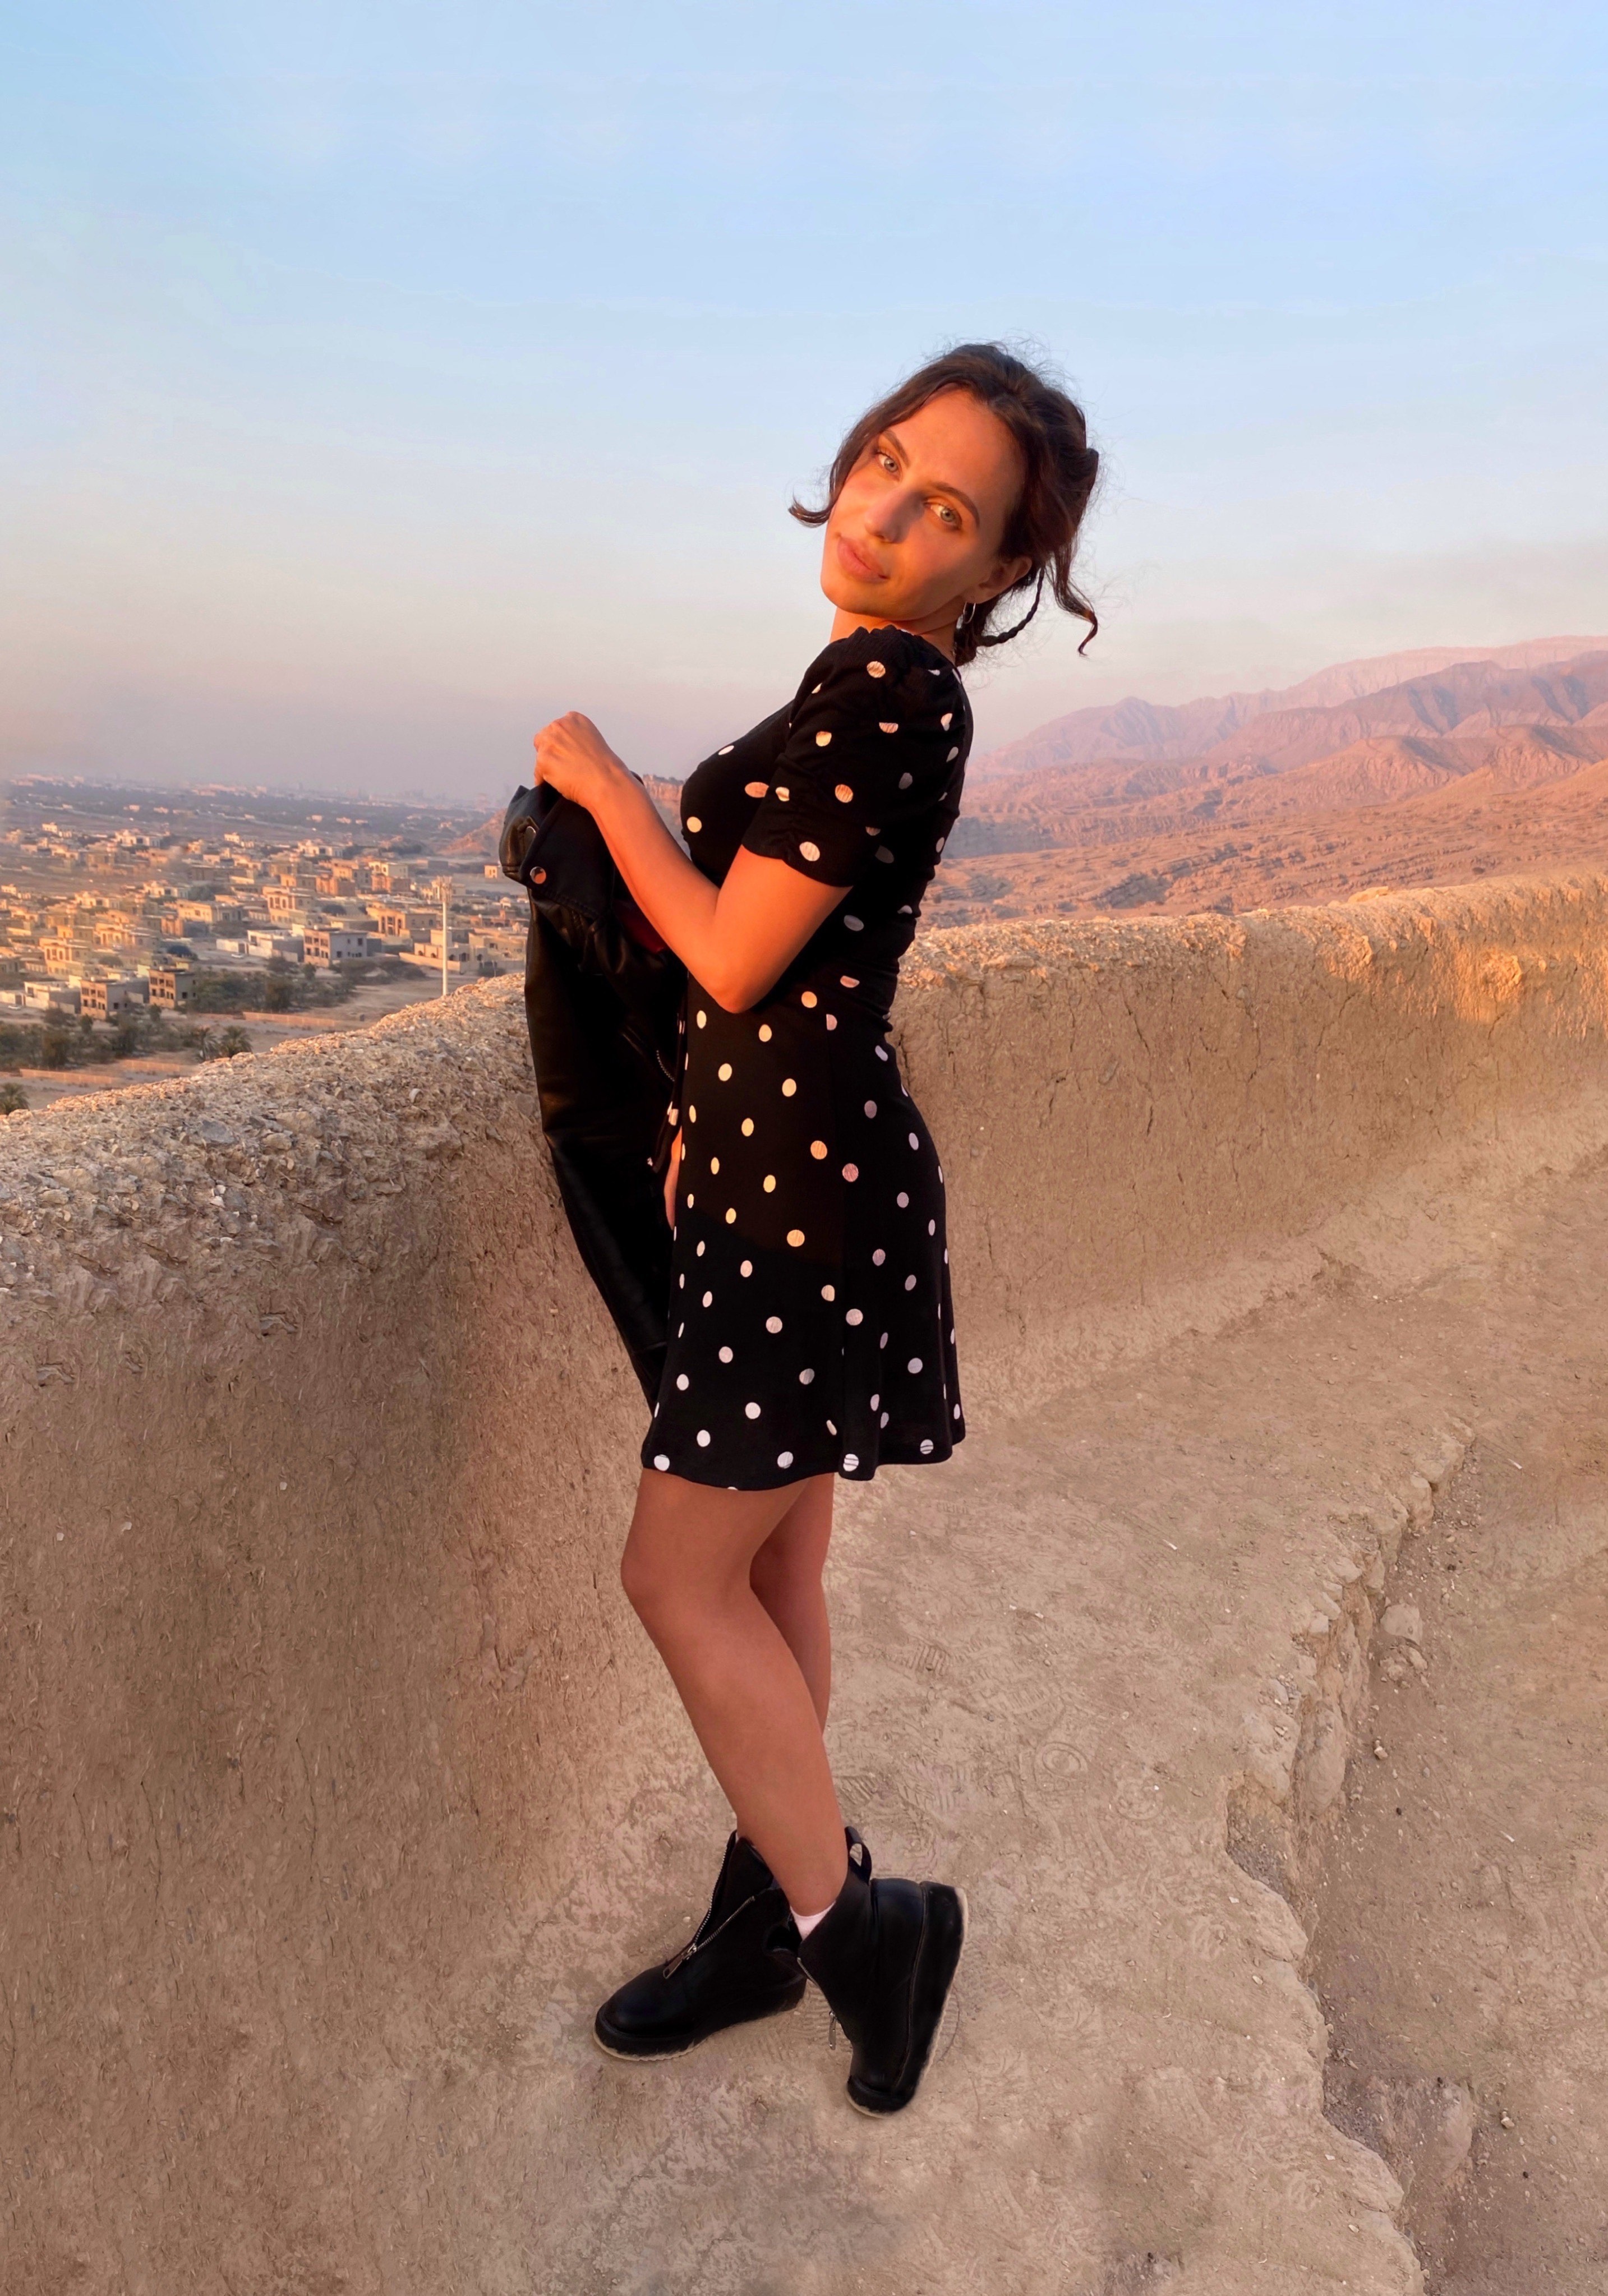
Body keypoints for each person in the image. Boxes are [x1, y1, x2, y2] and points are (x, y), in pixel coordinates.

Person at [531, 342, 1099, 2115]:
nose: (886, 511)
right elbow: (779, 976)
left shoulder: (888, 694)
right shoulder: (868, 679)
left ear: (1000, 565)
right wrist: (695, 1127)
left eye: (948, 509)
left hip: (802, 1207)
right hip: (783, 1176)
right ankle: (764, 1917)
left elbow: (729, 956)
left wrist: (604, 789)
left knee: (673, 1576)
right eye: (884, 461)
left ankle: (857, 1929)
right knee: (773, 1577)